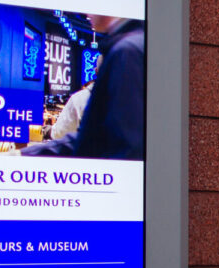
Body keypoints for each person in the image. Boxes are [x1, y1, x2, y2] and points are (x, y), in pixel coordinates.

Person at [23, 14, 144, 160]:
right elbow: (98, 137)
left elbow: (123, 143)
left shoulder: (126, 52)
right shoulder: (136, 43)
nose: (87, 15)